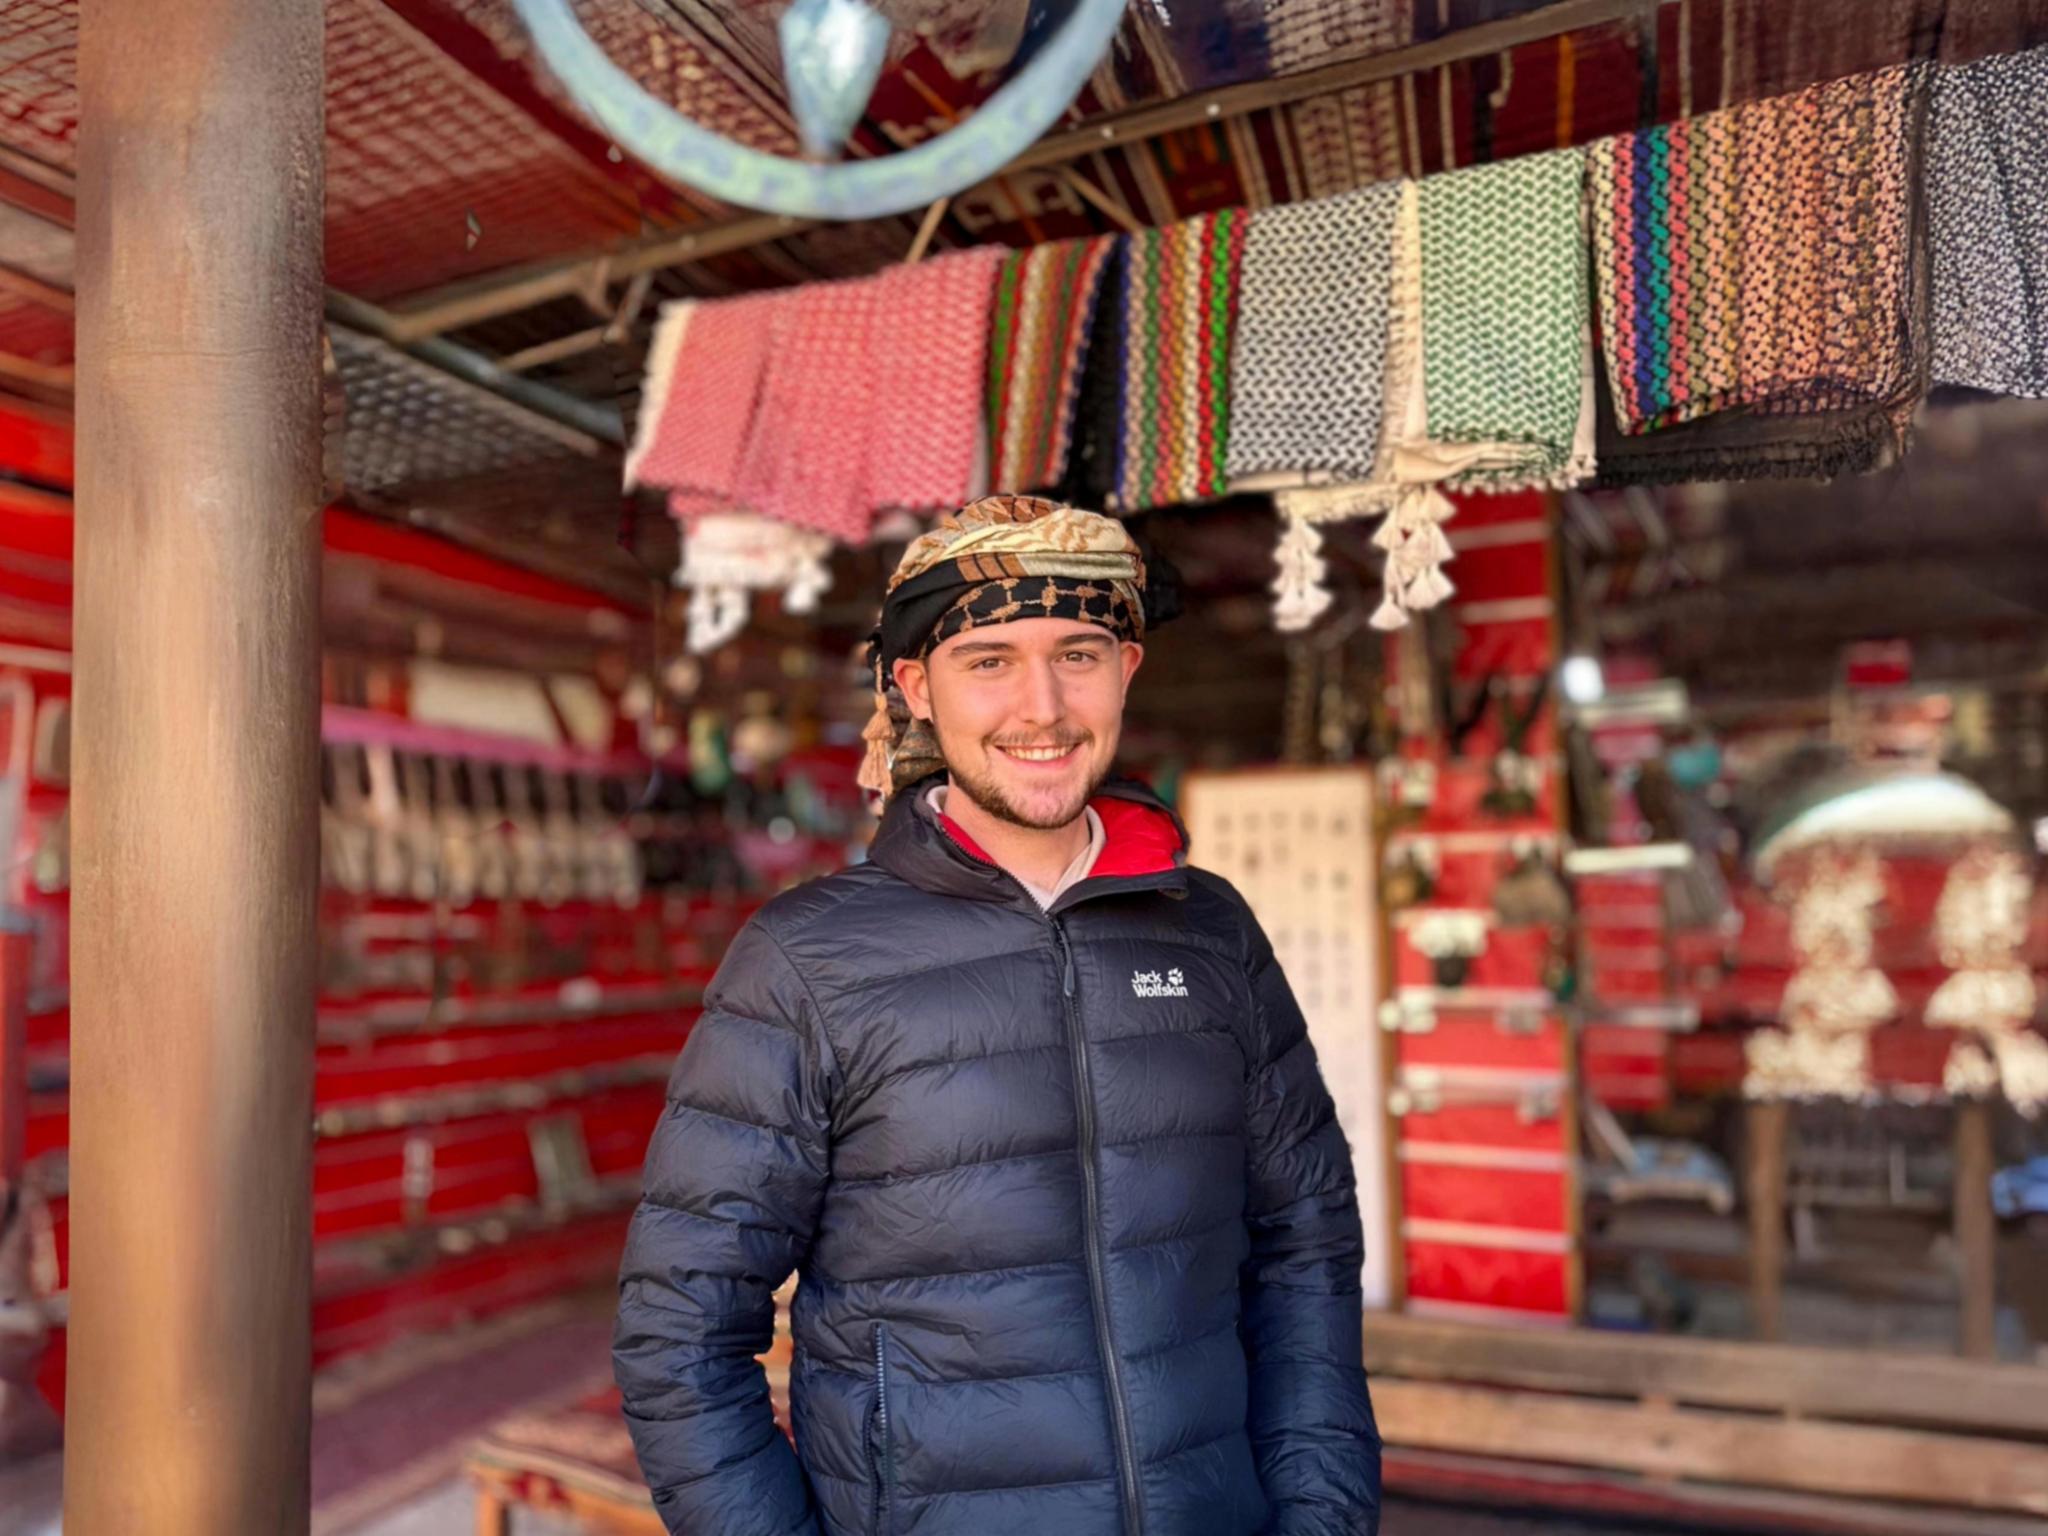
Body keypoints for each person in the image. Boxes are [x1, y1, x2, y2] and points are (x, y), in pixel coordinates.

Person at [614, 495, 1380, 1535]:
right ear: (912, 688)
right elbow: (679, 1333)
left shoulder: (1209, 934)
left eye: (1077, 653)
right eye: (987, 662)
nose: (1042, 708)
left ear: (1126, 669)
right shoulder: (806, 962)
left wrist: (1322, 1520)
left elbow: (1305, 1252)